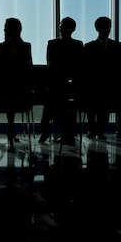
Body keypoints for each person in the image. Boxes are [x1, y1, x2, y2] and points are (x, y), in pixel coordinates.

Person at [39, 17, 84, 146]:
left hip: (67, 84)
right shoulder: (71, 44)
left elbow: (79, 66)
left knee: (52, 101)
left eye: (63, 27)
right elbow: (50, 65)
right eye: (60, 27)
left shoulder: (72, 44)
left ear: (71, 30)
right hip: (59, 83)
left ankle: (48, 130)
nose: (60, 29)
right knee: (59, 99)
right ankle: (66, 133)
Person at [82, 16, 121, 140]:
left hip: (106, 85)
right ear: (98, 29)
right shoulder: (114, 46)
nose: (107, 30)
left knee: (100, 99)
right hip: (98, 85)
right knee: (99, 99)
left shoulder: (91, 46)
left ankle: (95, 130)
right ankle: (97, 130)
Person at [0, 17, 33, 147]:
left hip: (12, 90)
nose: (4, 32)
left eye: (6, 30)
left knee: (10, 89)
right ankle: (11, 127)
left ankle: (10, 127)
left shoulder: (2, 47)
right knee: (10, 88)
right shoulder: (25, 47)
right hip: (16, 90)